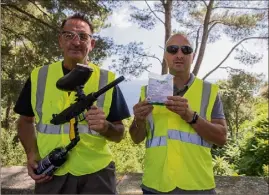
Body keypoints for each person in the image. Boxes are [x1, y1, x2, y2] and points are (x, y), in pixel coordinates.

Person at [14, 13, 130, 194]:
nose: (76, 42)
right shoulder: (39, 76)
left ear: (92, 44)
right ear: (60, 41)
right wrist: (31, 154)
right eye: (69, 35)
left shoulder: (107, 80)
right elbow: (25, 121)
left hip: (97, 174)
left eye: (83, 36)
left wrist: (105, 127)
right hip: (52, 172)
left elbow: (119, 133)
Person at [129, 33, 227, 194]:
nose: (179, 54)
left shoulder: (209, 91)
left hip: (198, 186)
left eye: (186, 50)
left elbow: (222, 138)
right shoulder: (148, 92)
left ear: (193, 56)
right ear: (165, 55)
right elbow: (136, 138)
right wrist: (138, 120)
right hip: (155, 185)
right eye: (173, 49)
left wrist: (191, 117)